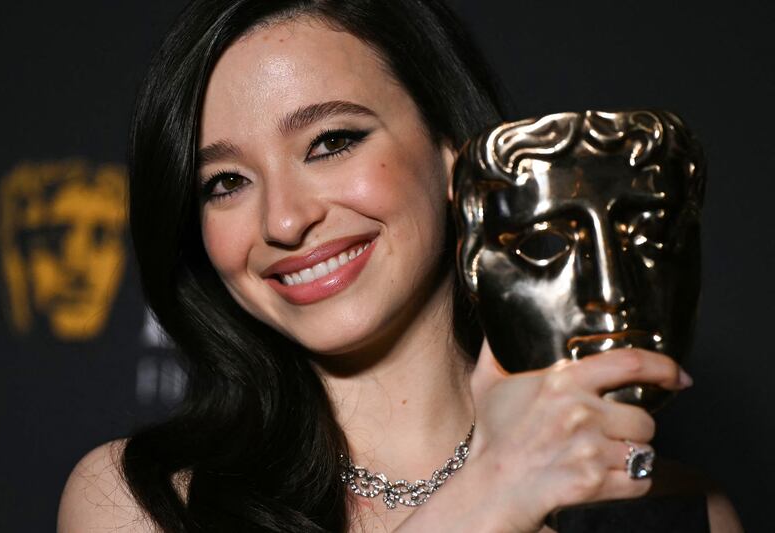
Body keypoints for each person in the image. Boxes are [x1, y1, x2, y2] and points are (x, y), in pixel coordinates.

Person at [58, 0, 742, 531]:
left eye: (332, 141)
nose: (284, 220)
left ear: (455, 155)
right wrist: (484, 500)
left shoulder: (667, 509)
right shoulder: (141, 501)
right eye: (226, 182)